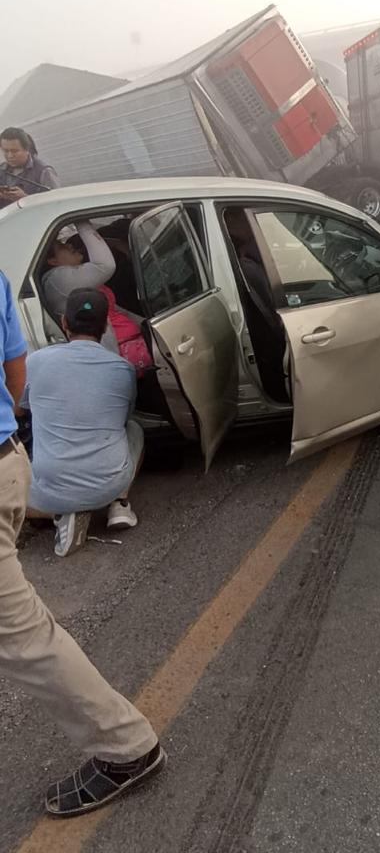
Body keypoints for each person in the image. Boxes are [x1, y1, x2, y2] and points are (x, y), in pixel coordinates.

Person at [0, 270, 165, 816]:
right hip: (17, 473)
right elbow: (12, 381)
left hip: (40, 479)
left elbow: (25, 398)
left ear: (64, 322)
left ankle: (126, 746)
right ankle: (114, 503)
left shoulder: (46, 360)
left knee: (24, 637)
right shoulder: (121, 368)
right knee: (129, 432)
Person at [23, 288, 144, 554]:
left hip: (48, 490)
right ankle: (119, 505)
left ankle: (59, 515)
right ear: (105, 326)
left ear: (64, 322)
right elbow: (122, 420)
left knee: (12, 490)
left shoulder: (35, 362)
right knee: (134, 429)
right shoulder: (123, 369)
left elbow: (21, 411)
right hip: (107, 485)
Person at [42, 221, 119, 353]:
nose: (69, 246)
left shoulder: (69, 279)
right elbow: (104, 266)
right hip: (100, 359)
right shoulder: (57, 279)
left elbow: (117, 310)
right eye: (61, 246)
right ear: (52, 261)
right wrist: (82, 222)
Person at [0, 127, 59, 208]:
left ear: (27, 149)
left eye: (15, 151)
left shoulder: (44, 171)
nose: (10, 156)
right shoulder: (1, 170)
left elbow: (56, 204)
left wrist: (25, 198)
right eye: (6, 151)